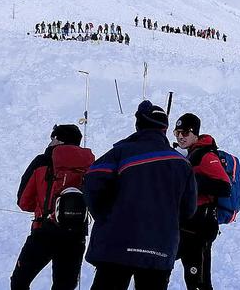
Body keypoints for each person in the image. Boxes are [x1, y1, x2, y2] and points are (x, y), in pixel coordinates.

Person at [84, 101, 197, 290]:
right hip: (160, 248)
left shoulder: (121, 153)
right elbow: (189, 209)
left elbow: (92, 182)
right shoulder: (183, 164)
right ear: (165, 128)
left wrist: (106, 217)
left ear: (139, 124)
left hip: (116, 245)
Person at [11, 124, 95, 290]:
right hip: (76, 234)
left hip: (45, 230)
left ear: (58, 140)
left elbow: (24, 201)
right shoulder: (89, 163)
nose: (50, 142)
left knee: (20, 280)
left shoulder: (42, 161)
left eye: (53, 138)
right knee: (64, 285)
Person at [173, 114, 231, 290]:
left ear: (195, 133)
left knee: (199, 281)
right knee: (193, 278)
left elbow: (224, 186)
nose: (180, 136)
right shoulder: (191, 154)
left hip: (201, 228)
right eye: (177, 132)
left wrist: (192, 181)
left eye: (184, 132)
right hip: (189, 226)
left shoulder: (206, 155)